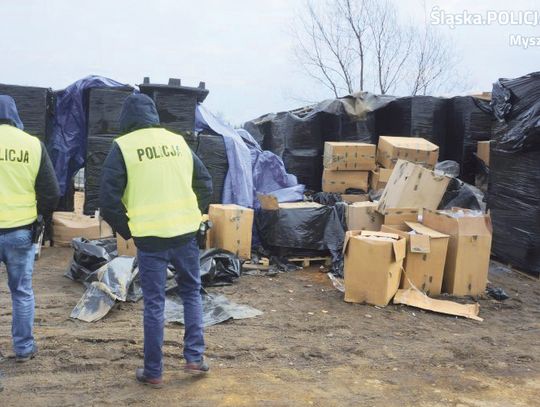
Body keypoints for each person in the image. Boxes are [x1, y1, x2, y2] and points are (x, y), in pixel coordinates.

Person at [100, 93, 213, 389]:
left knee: (154, 303)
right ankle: (195, 358)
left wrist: (130, 230)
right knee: (191, 292)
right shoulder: (177, 141)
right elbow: (205, 182)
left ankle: (154, 371)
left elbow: (108, 199)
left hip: (150, 239)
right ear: (153, 115)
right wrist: (193, 215)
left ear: (126, 118)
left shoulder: (122, 147)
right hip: (185, 234)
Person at [0, 95, 60, 363]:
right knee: (21, 291)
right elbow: (51, 192)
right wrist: (39, 217)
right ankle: (23, 348)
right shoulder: (33, 145)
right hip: (20, 232)